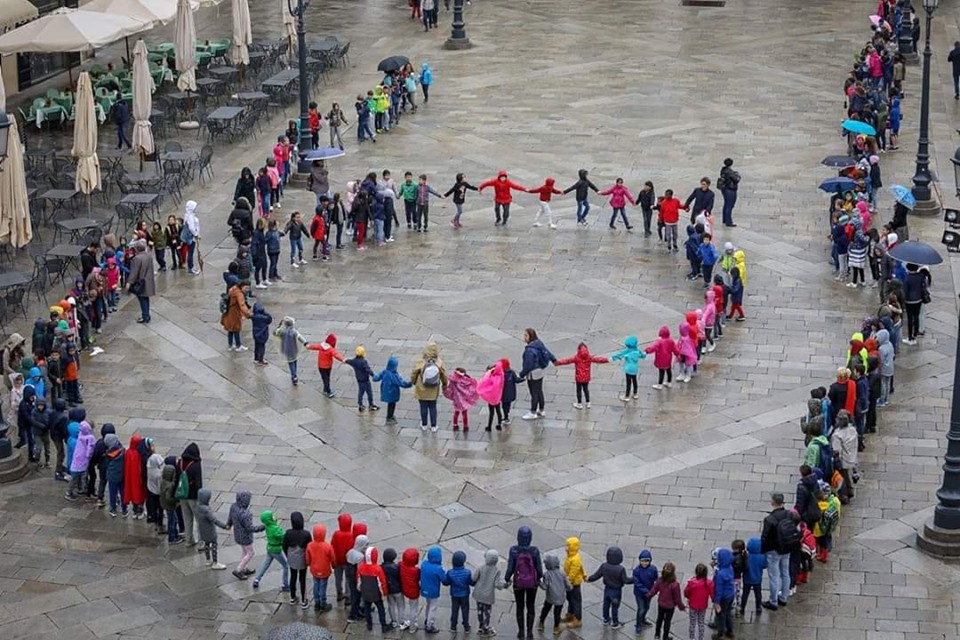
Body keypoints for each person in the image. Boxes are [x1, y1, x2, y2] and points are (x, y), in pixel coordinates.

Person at [505, 526, 544, 639]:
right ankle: (530, 633)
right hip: (532, 584)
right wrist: (538, 578)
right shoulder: (535, 551)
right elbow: (539, 570)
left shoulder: (513, 550)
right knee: (530, 606)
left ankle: (521, 632)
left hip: (518, 583)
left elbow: (510, 568)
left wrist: (507, 579)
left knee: (520, 607)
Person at [760, 492, 796, 610]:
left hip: (773, 551)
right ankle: (784, 597)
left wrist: (763, 550)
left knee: (774, 576)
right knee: (785, 573)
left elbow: (765, 537)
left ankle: (773, 601)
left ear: (773, 502)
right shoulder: (789, 514)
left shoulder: (769, 519)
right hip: (787, 548)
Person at [587, 546, 631, 629]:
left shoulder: (604, 566)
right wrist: (635, 579)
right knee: (615, 607)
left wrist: (589, 579)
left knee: (606, 605)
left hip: (607, 589)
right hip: (616, 592)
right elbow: (626, 580)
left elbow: (596, 575)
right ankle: (615, 623)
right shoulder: (621, 569)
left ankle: (606, 619)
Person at [555, 342, 609, 409]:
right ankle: (588, 402)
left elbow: (567, 361)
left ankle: (579, 403)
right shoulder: (589, 357)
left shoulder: (576, 357)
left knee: (579, 390)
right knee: (586, 390)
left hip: (579, 377)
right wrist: (607, 360)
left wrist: (558, 362)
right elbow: (598, 359)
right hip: (586, 377)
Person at [518, 329, 556, 420]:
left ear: (530, 336)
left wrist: (522, 374)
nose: (524, 337)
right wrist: (554, 360)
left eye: (526, 335)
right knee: (539, 390)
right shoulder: (538, 343)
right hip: (541, 371)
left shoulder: (529, 351)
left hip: (533, 373)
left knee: (533, 392)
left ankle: (533, 411)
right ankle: (541, 409)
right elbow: (547, 351)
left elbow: (528, 365)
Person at [411, 342, 448, 432]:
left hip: (421, 388)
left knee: (423, 406)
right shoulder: (439, 362)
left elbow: (414, 373)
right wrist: (444, 384)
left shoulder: (421, 361)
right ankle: (434, 426)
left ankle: (424, 424)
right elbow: (444, 375)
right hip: (433, 389)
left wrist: (414, 381)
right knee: (432, 407)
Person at [228, 490, 264, 580]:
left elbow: (230, 518)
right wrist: (262, 527)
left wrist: (228, 524)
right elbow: (250, 528)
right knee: (250, 553)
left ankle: (245, 568)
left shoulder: (234, 506)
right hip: (246, 537)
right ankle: (239, 569)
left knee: (244, 551)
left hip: (237, 534)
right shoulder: (246, 513)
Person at [253, 510, 290, 591]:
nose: (274, 517)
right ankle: (285, 584)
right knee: (286, 565)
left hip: (269, 548)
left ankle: (257, 579)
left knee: (265, 564)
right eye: (272, 516)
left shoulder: (267, 525)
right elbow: (283, 536)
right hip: (276, 550)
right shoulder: (275, 528)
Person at [473, 549, 506, 635]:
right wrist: (504, 585)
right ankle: (486, 628)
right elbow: (497, 584)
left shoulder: (480, 567)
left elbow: (474, 578)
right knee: (487, 612)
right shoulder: (496, 570)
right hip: (488, 595)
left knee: (479, 610)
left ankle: (480, 626)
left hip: (478, 593)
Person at [648, 562, 684, 640]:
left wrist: (648, 595)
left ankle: (657, 634)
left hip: (661, 604)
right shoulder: (675, 584)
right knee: (667, 622)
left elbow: (654, 590)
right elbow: (677, 598)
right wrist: (681, 607)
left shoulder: (659, 580)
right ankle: (665, 637)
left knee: (659, 619)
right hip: (670, 607)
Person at [283, 511, 312, 608]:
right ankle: (304, 600)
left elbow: (284, 545)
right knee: (302, 579)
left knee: (293, 577)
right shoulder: (306, 534)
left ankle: (292, 597)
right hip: (302, 559)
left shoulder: (288, 533)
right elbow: (310, 546)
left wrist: (288, 555)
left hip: (292, 559)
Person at [196, 488, 230, 570]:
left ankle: (208, 560)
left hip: (202, 530)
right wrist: (224, 526)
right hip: (210, 530)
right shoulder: (206, 510)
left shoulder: (198, 507)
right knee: (214, 545)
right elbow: (214, 520)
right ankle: (215, 562)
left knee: (206, 545)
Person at [538, 554, 571, 635]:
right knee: (557, 613)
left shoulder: (547, 574)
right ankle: (556, 628)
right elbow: (568, 585)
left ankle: (541, 623)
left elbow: (545, 587)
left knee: (545, 609)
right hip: (560, 598)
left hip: (550, 597)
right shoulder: (562, 573)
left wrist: (539, 583)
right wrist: (568, 588)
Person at [374, 356, 413, 425]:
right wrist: (410, 383)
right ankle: (389, 417)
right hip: (392, 393)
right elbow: (401, 383)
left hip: (385, 391)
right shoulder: (394, 375)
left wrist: (374, 376)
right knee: (392, 405)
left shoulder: (385, 372)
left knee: (390, 404)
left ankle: (390, 416)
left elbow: (377, 377)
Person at [307, 522, 336, 611]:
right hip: (324, 570)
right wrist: (334, 566)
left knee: (316, 585)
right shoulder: (327, 546)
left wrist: (309, 564)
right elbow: (333, 558)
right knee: (323, 587)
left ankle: (317, 603)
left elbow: (308, 558)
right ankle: (323, 604)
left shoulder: (310, 545)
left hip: (314, 569)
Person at [178, 442, 203, 546]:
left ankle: (189, 540)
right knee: (200, 520)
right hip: (193, 497)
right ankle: (202, 542)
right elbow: (198, 482)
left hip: (182, 495)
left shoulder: (180, 462)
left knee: (187, 518)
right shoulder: (196, 465)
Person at [126, 240, 155, 324]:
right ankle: (147, 315)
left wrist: (129, 282)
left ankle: (145, 316)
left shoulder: (136, 258)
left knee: (142, 299)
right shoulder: (149, 256)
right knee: (146, 298)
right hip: (148, 281)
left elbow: (134, 272)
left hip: (141, 282)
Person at [274, 316, 309, 384]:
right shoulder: (293, 331)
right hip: (294, 349)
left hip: (286, 350)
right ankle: (294, 374)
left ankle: (294, 375)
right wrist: (305, 343)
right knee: (294, 361)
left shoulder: (282, 331)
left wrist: (279, 325)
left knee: (290, 363)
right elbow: (300, 337)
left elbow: (276, 333)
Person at [308, 334, 345, 398]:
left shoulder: (321, 346)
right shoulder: (330, 349)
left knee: (325, 378)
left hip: (321, 366)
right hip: (328, 366)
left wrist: (308, 346)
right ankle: (327, 391)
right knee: (327, 379)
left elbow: (314, 346)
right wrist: (343, 359)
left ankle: (326, 389)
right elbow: (336, 355)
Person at [444, 550, 472, 633]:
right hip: (465, 594)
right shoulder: (467, 572)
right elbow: (471, 582)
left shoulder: (450, 573)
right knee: (465, 610)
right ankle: (466, 626)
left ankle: (453, 626)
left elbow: (446, 582)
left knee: (454, 609)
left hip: (454, 594)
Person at [684, 563, 713, 640]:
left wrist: (688, 597)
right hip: (703, 606)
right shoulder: (708, 583)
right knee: (701, 623)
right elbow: (712, 593)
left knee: (692, 623)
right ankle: (701, 638)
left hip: (693, 606)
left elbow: (686, 593)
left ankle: (692, 637)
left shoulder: (692, 582)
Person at [221, 280, 252, 352]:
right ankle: (238, 346)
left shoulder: (233, 289)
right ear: (242, 286)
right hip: (235, 313)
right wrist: (248, 314)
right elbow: (242, 305)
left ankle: (230, 345)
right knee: (236, 329)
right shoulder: (239, 294)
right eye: (246, 288)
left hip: (229, 312)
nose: (247, 290)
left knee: (230, 330)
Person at [711, 550, 735, 640]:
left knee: (720, 615)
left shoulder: (720, 574)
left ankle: (720, 633)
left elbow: (719, 590)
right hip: (730, 595)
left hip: (722, 598)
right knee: (728, 613)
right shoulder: (730, 568)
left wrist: (716, 602)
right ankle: (730, 631)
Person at [346, 346, 378, 412]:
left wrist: (345, 360)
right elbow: (367, 369)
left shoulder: (354, 361)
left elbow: (349, 361)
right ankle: (371, 405)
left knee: (360, 392)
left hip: (359, 380)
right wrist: (373, 374)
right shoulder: (364, 362)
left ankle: (360, 405)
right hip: (365, 380)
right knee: (369, 393)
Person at [420, 546, 444, 633]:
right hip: (433, 591)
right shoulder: (438, 568)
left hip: (424, 589)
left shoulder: (424, 564)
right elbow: (444, 579)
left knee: (428, 605)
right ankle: (430, 625)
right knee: (433, 607)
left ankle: (427, 619)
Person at [632, 549, 657, 633]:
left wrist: (654, 590)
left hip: (649, 594)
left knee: (647, 607)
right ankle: (638, 625)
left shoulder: (653, 569)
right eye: (642, 561)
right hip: (640, 594)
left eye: (646, 561)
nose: (644, 563)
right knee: (641, 609)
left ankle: (643, 619)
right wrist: (647, 591)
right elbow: (637, 583)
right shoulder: (636, 571)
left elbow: (656, 579)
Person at [159, 456, 182, 544]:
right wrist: (176, 500)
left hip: (165, 504)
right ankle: (172, 538)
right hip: (170, 506)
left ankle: (175, 535)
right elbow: (169, 498)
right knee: (172, 521)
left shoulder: (163, 481)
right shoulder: (170, 485)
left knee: (173, 519)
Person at [718, 159, 740, 227]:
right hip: (730, 190)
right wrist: (737, 175)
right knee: (729, 206)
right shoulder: (729, 172)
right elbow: (736, 179)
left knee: (726, 204)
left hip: (725, 189)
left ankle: (725, 219)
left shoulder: (723, 170)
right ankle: (728, 221)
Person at [182, 201, 201, 275]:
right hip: (191, 237)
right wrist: (196, 234)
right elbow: (191, 228)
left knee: (190, 252)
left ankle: (191, 266)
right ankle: (190, 267)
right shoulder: (190, 217)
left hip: (191, 237)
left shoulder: (188, 215)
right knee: (190, 253)